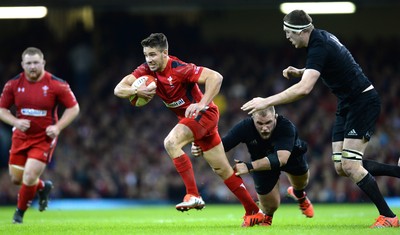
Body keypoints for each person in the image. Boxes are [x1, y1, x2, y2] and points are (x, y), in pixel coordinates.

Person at [241, 10, 399, 228]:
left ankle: (389, 217)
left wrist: (266, 101)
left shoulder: (319, 45)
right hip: (347, 103)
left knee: (351, 165)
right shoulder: (321, 39)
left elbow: (305, 89)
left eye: (289, 32)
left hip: (362, 102)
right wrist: (302, 71)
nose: (287, 37)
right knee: (341, 167)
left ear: (301, 31)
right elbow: (330, 63)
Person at [114, 33, 265, 227]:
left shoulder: (179, 69)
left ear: (164, 53)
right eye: (146, 55)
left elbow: (216, 77)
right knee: (223, 169)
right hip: (193, 120)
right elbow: (119, 89)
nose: (149, 59)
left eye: (153, 54)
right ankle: (254, 211)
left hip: (204, 115)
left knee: (170, 142)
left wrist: (202, 103)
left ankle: (193, 194)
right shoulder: (145, 70)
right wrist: (136, 91)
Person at [192, 106, 314, 226]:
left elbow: (281, 159)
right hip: (262, 163)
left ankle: (299, 195)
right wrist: (201, 147)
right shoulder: (245, 127)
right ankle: (267, 218)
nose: (265, 128)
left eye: (268, 123)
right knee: (270, 206)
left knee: (301, 183)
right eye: (260, 123)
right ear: (252, 119)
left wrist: (249, 166)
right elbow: (222, 146)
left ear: (275, 117)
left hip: (291, 157)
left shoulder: (286, 126)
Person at [0, 47, 80, 224]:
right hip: (20, 136)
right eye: (28, 63)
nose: (32, 66)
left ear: (43, 63)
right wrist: (15, 122)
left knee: (28, 176)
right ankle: (43, 187)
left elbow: (74, 108)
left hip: (44, 138)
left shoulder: (57, 84)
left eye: (36, 62)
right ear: (22, 65)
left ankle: (19, 214)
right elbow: (2, 109)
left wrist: (58, 127)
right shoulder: (13, 85)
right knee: (15, 179)